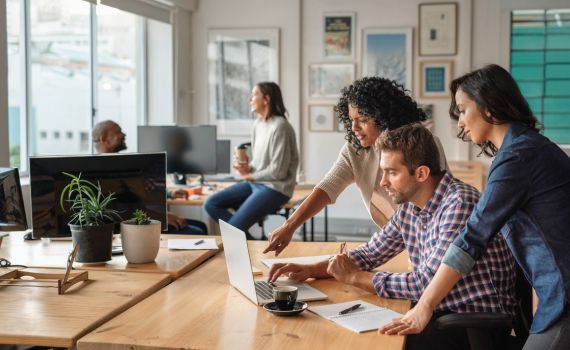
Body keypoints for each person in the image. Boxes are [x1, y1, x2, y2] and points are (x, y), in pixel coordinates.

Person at [269, 124, 516, 350]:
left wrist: (355, 277)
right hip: (437, 312)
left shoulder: (458, 203)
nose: (383, 182)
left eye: (391, 173)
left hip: (469, 324)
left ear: (420, 173)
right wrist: (312, 269)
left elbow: (424, 284)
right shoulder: (411, 205)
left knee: (362, 343)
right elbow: (370, 253)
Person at [379, 64, 570, 350]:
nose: (459, 122)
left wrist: (425, 306)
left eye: (463, 109)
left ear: (489, 107)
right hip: (555, 291)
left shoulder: (518, 157)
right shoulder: (526, 148)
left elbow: (472, 238)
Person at [264, 77, 449, 255]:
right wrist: (289, 226)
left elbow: (439, 203)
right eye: (351, 120)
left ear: (384, 116)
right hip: (391, 241)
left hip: (429, 240)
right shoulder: (356, 150)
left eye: (362, 120)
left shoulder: (422, 144)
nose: (354, 128)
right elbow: (328, 187)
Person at [204, 82, 299, 240]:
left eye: (254, 94)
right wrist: (247, 169)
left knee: (233, 228)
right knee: (210, 204)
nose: (250, 98)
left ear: (266, 99)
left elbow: (278, 171)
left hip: (276, 188)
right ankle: (252, 243)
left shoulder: (281, 127)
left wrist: (250, 176)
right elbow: (259, 164)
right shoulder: (257, 124)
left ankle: (245, 243)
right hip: (256, 183)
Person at [92, 120, 207, 235]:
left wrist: (170, 195)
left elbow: (139, 194)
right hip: (134, 226)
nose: (124, 135)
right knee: (198, 231)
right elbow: (124, 212)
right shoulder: (101, 171)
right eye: (118, 132)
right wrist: (162, 218)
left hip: (144, 216)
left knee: (201, 226)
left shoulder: (119, 165)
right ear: (104, 139)